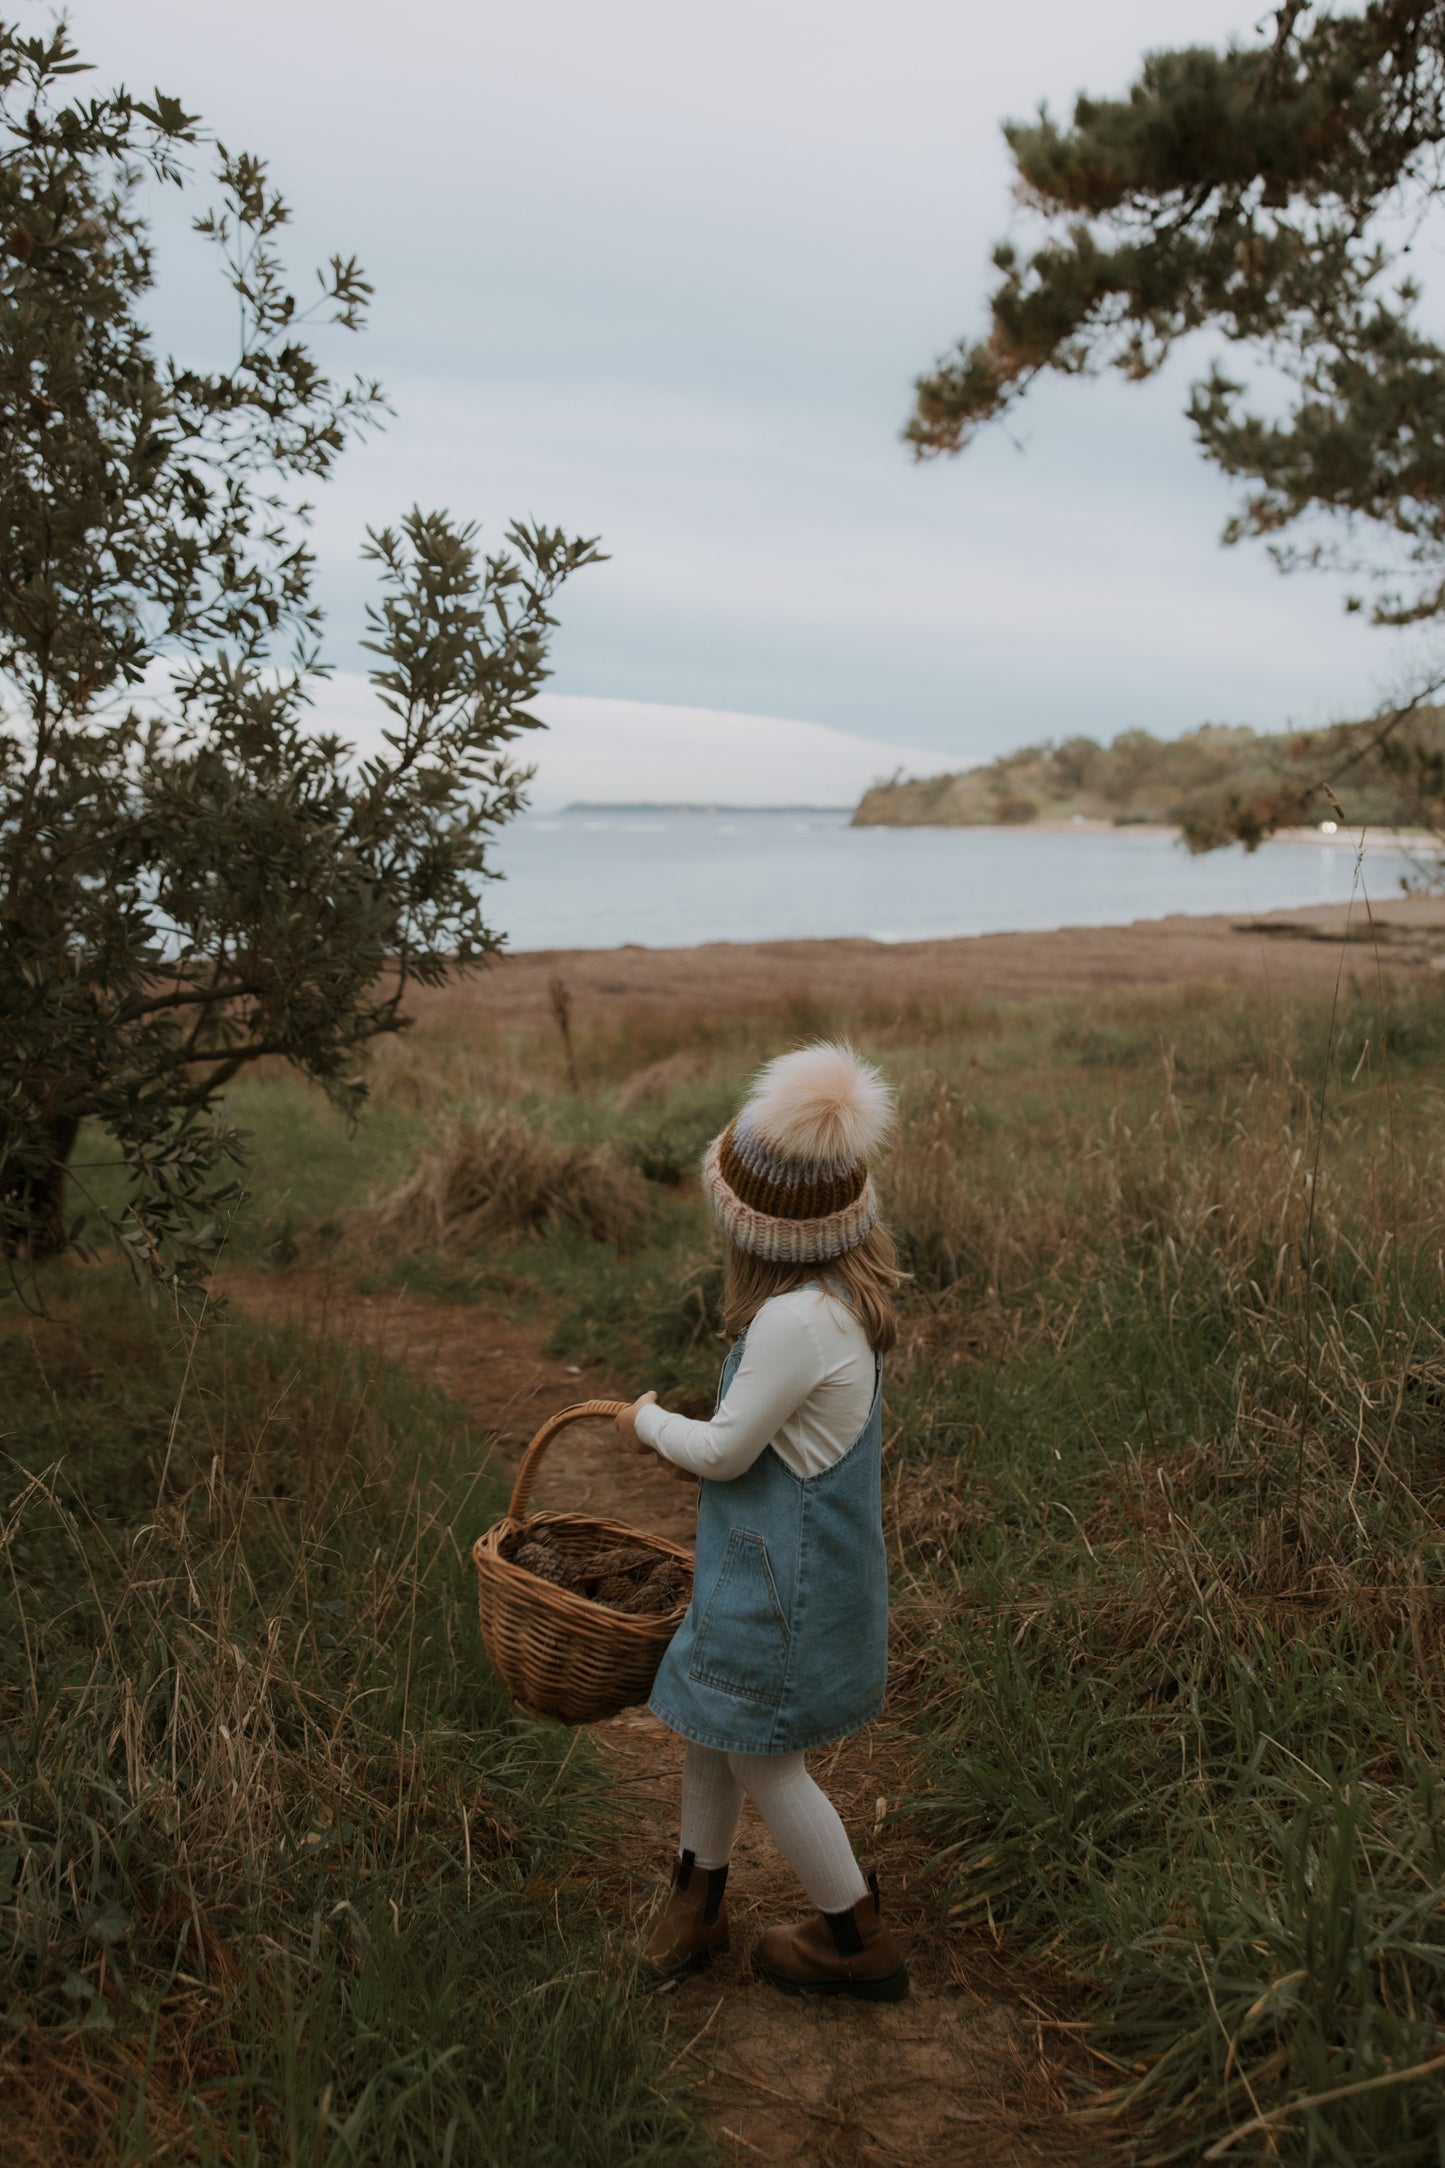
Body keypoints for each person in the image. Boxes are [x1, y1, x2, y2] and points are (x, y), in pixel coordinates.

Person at [614, 1040, 908, 2000]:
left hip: (781, 1594)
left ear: (758, 1231)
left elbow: (724, 1453)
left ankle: (855, 1938)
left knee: (764, 1760)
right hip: (764, 1584)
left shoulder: (792, 1325)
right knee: (710, 1722)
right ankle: (697, 1898)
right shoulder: (832, 1304)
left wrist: (644, 1419)